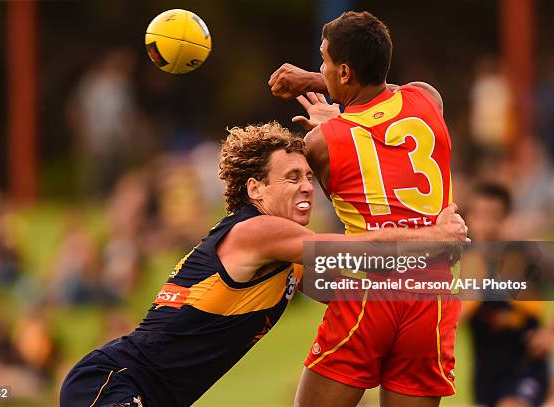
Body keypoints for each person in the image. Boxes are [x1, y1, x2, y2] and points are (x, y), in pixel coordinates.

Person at [60, 122, 467, 407]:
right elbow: (350, 250)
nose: (308, 186)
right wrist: (433, 236)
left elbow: (365, 294)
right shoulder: (257, 232)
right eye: (291, 177)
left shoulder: (286, 259)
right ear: (255, 188)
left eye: (309, 176)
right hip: (115, 380)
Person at [268, 11, 459, 407]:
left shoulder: (321, 143)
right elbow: (379, 101)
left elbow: (347, 145)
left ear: (343, 72)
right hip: (433, 295)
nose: (317, 68)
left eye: (323, 61)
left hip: (372, 289)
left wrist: (328, 123)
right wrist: (326, 88)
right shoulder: (428, 97)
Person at [462, 183, 549, 407]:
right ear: (468, 218)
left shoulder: (525, 257)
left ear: (507, 218)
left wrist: (550, 333)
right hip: (485, 372)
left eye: (494, 216)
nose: (486, 224)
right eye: (479, 215)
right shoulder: (462, 262)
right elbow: (452, 319)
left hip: (524, 365)